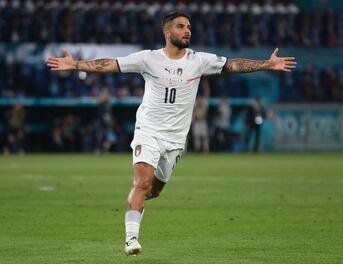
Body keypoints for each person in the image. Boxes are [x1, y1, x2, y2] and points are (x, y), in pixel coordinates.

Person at [46, 11, 296, 256]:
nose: (187, 30)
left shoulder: (199, 61)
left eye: (189, 26)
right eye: (181, 26)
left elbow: (232, 65)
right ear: (167, 32)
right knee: (142, 183)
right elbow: (109, 64)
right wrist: (75, 64)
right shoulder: (148, 59)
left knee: (153, 190)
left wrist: (267, 64)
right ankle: (131, 238)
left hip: (176, 140)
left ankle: (137, 202)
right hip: (149, 132)